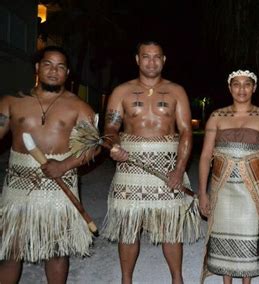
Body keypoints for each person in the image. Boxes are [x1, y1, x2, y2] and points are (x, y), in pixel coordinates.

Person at [102, 40, 200, 284]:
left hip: (166, 167)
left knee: (169, 226)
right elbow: (110, 127)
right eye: (146, 56)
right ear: (137, 59)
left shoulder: (176, 91)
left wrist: (179, 169)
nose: (152, 62)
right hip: (130, 165)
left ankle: (177, 279)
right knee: (129, 226)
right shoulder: (121, 92)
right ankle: (126, 280)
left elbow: (186, 132)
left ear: (164, 60)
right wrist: (113, 145)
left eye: (157, 57)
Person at [0, 46, 98, 283]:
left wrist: (64, 166)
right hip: (18, 186)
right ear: (37, 67)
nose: (54, 71)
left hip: (59, 184)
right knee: (10, 250)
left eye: (60, 66)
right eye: (48, 64)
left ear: (67, 73)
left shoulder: (79, 107)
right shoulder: (12, 102)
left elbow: (93, 146)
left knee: (56, 250)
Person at [198, 70, 259, 283]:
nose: (241, 89)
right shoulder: (217, 116)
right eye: (236, 84)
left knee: (250, 231)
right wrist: (203, 193)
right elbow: (205, 156)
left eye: (247, 84)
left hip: (253, 185)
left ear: (254, 88)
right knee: (224, 228)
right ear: (229, 87)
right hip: (222, 186)